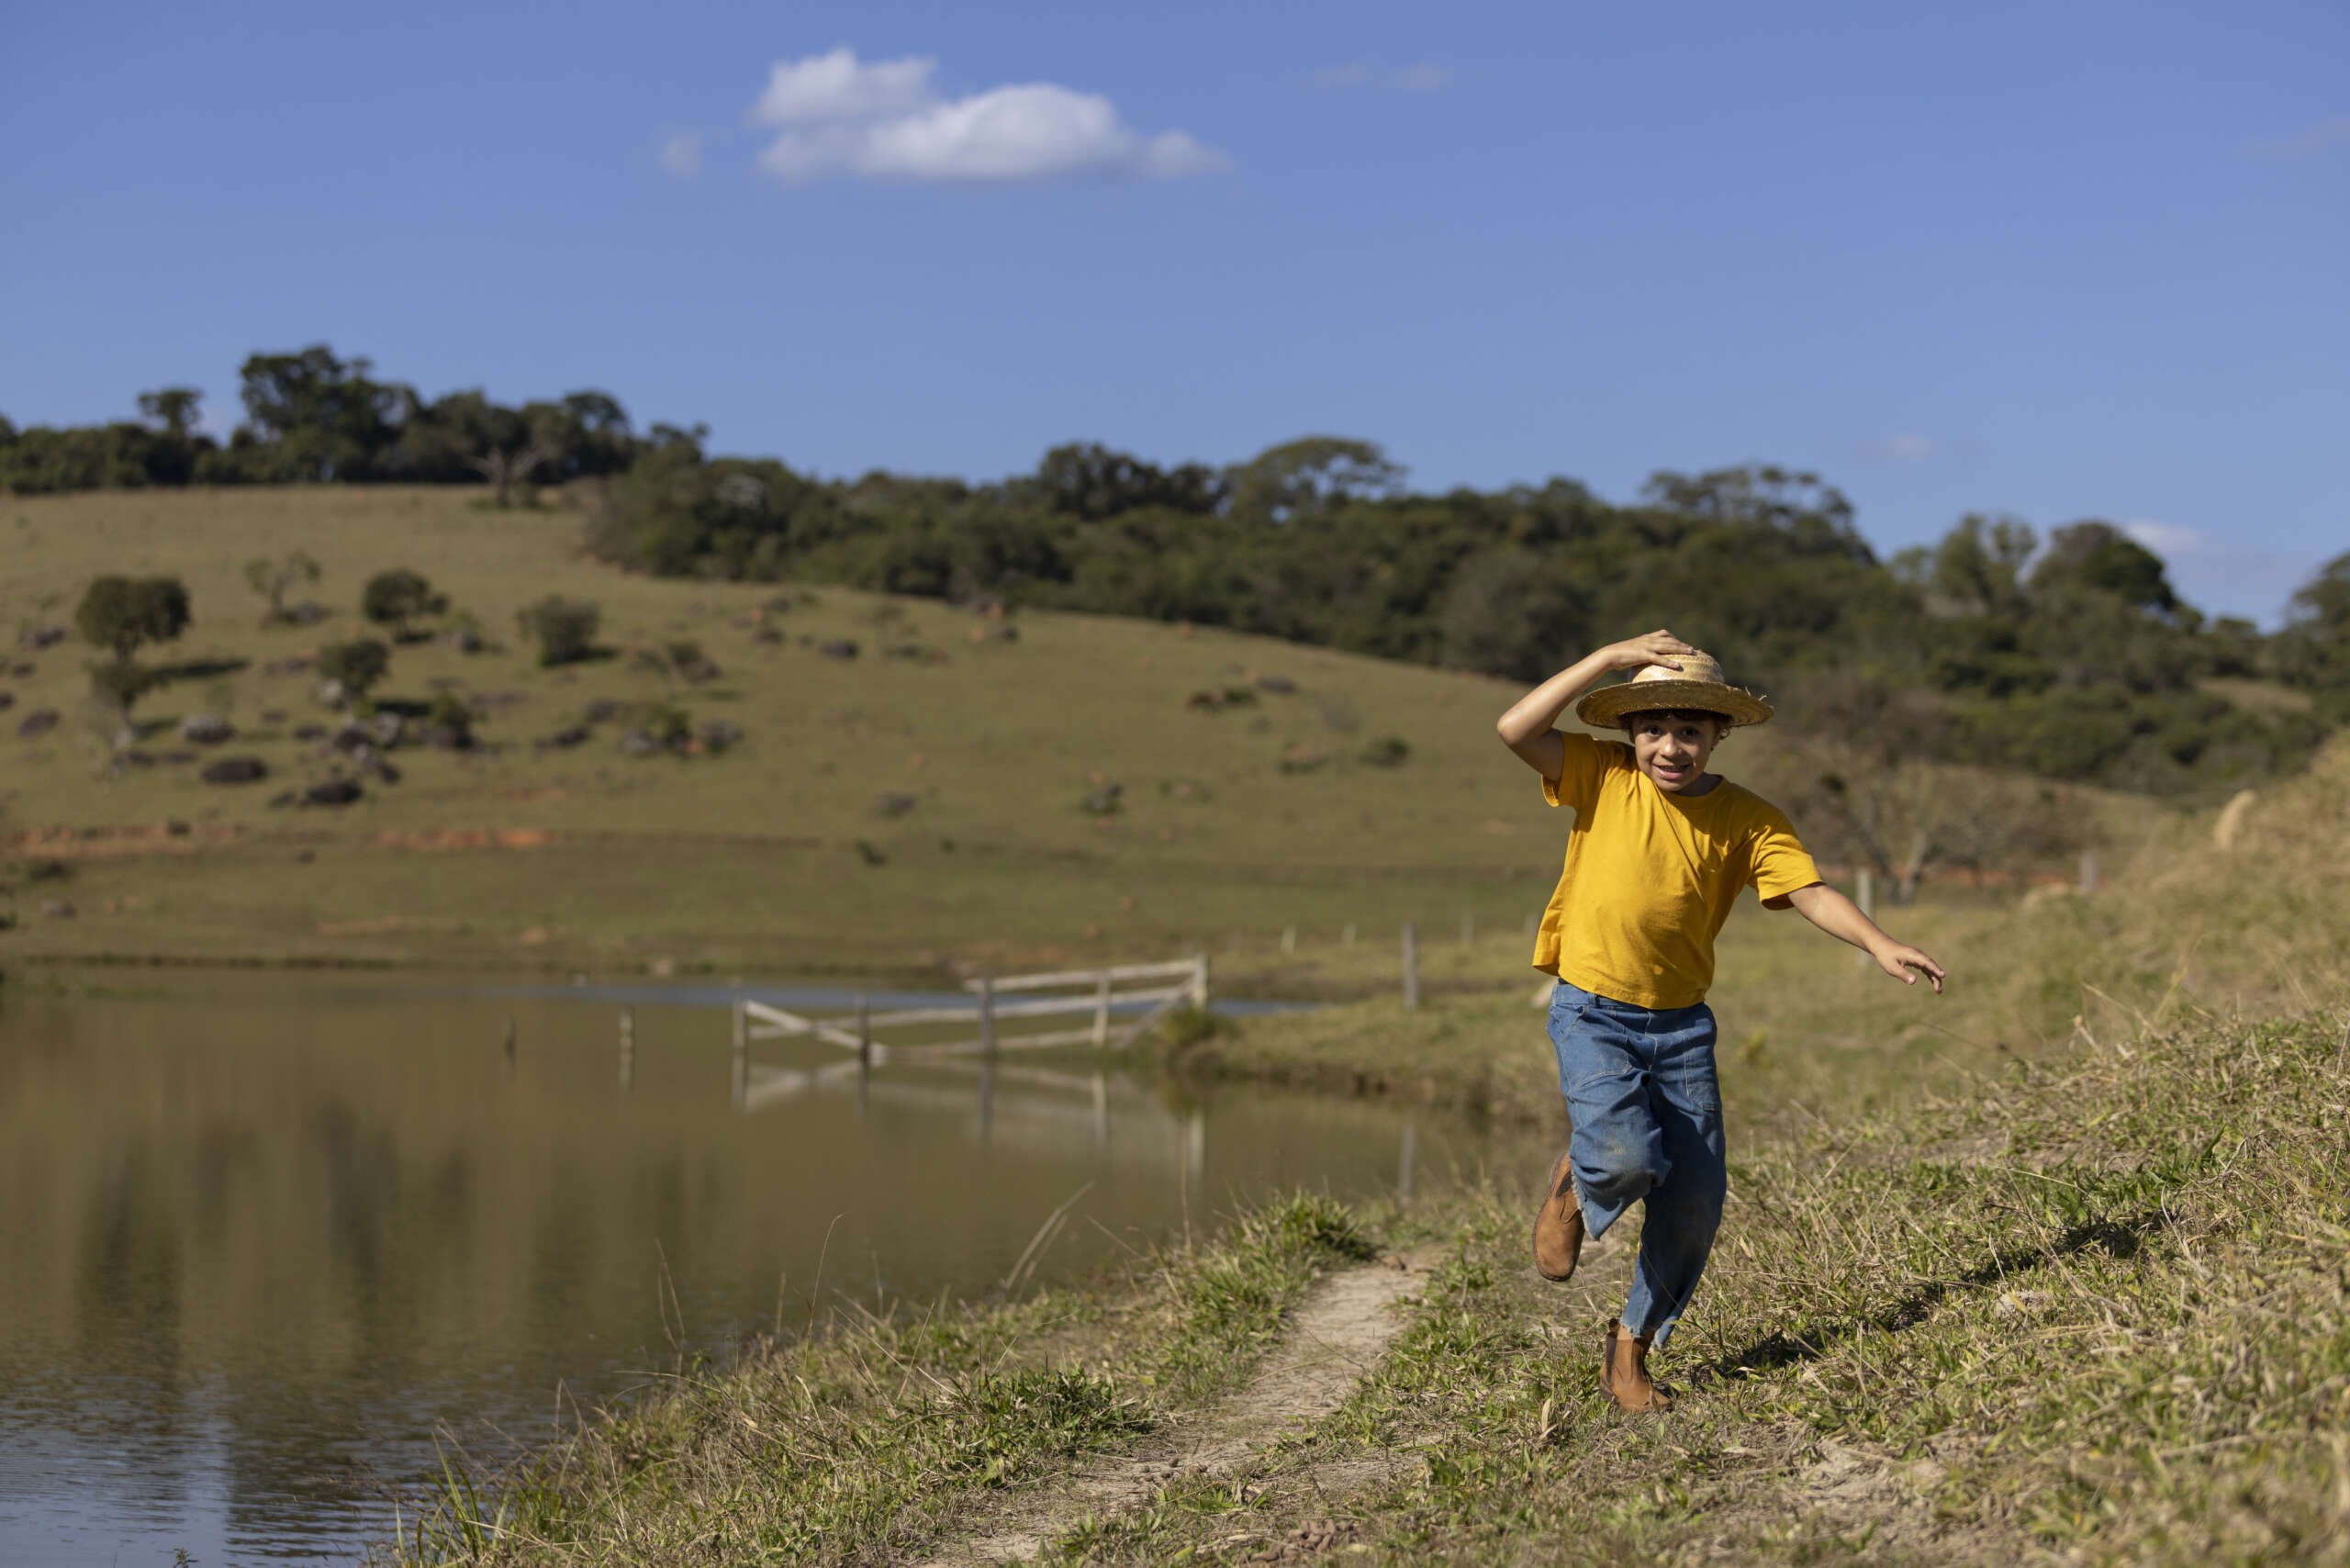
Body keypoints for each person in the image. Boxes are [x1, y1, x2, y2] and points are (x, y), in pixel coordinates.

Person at [1494, 630, 1944, 1413]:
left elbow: (1809, 891)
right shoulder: (1600, 775)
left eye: (1690, 731)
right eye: (1653, 729)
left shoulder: (1748, 818)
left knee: (1698, 1199)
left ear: (1718, 734)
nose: (1671, 747)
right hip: (1592, 1009)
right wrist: (1605, 660)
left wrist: (1878, 941)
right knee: (1627, 1158)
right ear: (1629, 733)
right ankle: (1576, 1186)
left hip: (1681, 1029)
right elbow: (1516, 730)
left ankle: (1630, 1348)